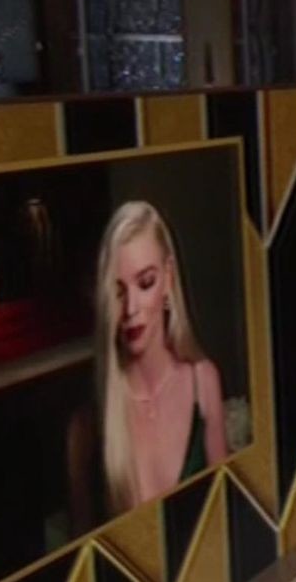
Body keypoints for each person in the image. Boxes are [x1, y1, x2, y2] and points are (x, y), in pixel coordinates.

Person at [91, 201, 229, 515]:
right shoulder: (88, 429)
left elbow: (224, 513)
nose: (130, 309)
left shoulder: (204, 382)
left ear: (168, 278)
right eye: (118, 291)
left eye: (145, 283)